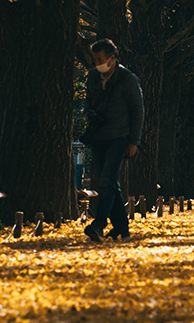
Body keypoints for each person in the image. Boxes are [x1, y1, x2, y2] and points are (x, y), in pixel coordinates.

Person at [83, 39, 144, 243]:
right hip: (98, 137)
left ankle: (98, 225)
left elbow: (137, 111)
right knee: (108, 183)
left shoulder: (128, 79)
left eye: (100, 59)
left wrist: (134, 141)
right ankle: (122, 229)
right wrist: (88, 113)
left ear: (112, 58)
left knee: (107, 182)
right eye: (95, 60)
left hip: (119, 138)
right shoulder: (92, 76)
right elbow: (88, 101)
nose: (97, 63)